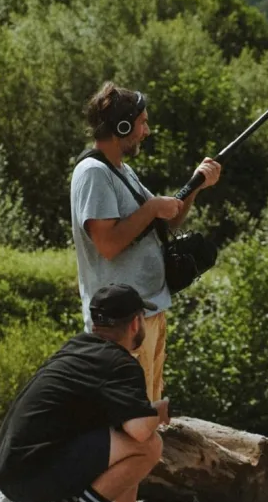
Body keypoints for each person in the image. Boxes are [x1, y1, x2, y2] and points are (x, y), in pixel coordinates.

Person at [70, 81, 222, 404]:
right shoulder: (93, 174)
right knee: (131, 421)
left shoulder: (122, 171)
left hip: (150, 312)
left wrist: (195, 185)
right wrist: (152, 207)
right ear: (122, 126)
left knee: (150, 414)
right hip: (121, 326)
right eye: (142, 123)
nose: (147, 131)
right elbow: (108, 244)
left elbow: (163, 222)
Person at [0, 284, 171, 502]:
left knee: (107, 434)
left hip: (10, 468)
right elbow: (140, 432)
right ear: (135, 323)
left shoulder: (76, 347)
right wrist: (161, 409)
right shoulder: (119, 363)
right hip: (28, 475)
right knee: (150, 446)